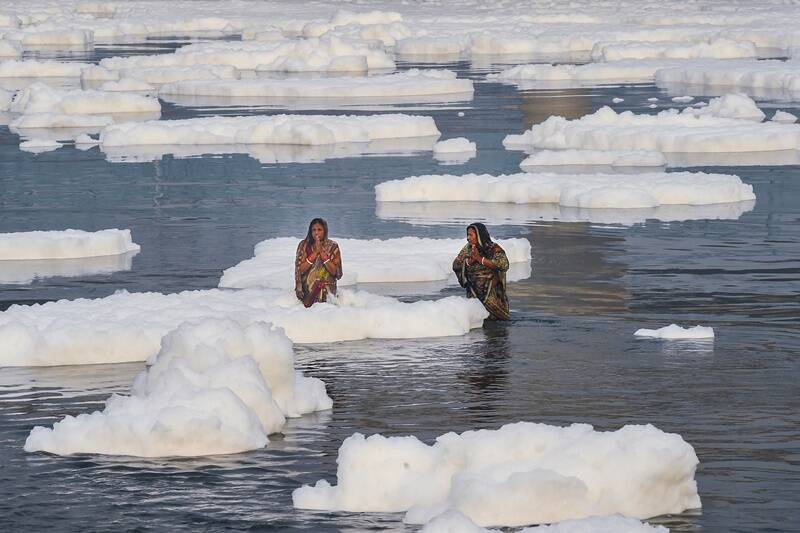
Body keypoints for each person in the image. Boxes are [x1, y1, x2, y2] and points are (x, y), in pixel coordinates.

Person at [452, 223, 510, 321]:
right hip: (473, 293)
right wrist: (469, 262)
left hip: (491, 294)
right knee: (477, 321)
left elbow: (504, 264)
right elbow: (456, 265)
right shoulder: (468, 248)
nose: (468, 238)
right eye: (467, 235)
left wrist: (480, 259)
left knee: (497, 323)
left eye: (470, 235)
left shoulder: (493, 248)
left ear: (479, 235)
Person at [295, 218, 342, 307]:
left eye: (319, 230)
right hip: (307, 292)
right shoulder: (304, 245)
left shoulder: (333, 246)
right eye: (313, 230)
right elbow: (300, 270)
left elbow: (335, 272)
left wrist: (322, 254)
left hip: (328, 292)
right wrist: (315, 253)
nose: (316, 233)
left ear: (325, 231)